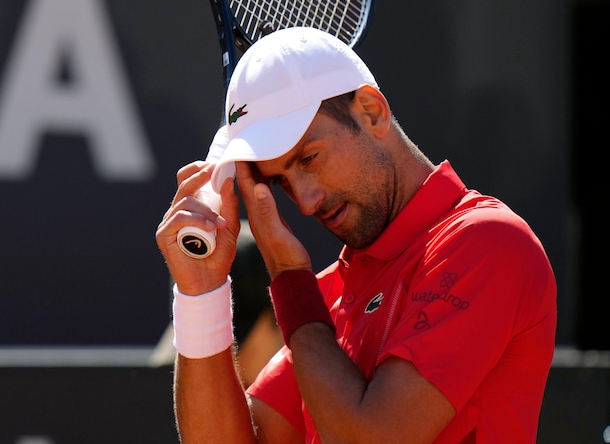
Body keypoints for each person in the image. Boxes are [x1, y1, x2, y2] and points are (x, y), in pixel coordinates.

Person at [155, 26, 557, 443]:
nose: (305, 200)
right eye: (282, 182)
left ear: (372, 111)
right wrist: (200, 293)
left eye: (309, 157)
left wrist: (289, 277)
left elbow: (371, 438)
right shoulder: (323, 300)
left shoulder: (488, 242)